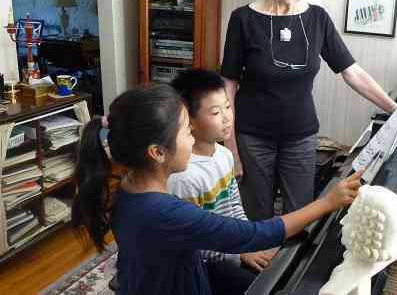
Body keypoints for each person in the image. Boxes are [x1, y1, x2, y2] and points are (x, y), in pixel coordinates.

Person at [221, 0, 397, 221]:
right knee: (256, 216)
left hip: (300, 136)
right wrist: (230, 146)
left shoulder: (317, 19)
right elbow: (228, 85)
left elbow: (353, 73)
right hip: (251, 137)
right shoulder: (243, 19)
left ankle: (284, 268)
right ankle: (255, 267)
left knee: (300, 215)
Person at [71, 84, 364, 295]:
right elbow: (254, 235)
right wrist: (327, 202)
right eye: (187, 131)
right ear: (157, 152)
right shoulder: (166, 211)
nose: (192, 137)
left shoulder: (130, 187)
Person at [169, 69, 275, 295]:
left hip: (228, 248)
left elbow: (234, 208)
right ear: (190, 120)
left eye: (228, 107)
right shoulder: (183, 176)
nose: (228, 117)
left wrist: (250, 242)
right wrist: (240, 253)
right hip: (201, 264)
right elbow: (191, 244)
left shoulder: (224, 155)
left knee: (277, 274)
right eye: (216, 112)